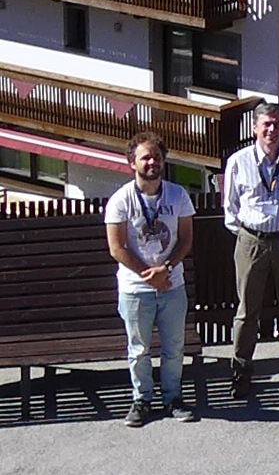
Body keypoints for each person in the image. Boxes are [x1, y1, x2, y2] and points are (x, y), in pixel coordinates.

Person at [107, 132, 196, 427]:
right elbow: (117, 247)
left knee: (174, 347)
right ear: (132, 162)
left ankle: (173, 398)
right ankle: (142, 400)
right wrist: (149, 275)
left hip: (172, 285)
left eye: (156, 156)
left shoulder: (178, 195)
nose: (152, 162)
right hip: (135, 289)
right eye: (145, 157)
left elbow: (185, 239)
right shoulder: (121, 199)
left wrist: (166, 270)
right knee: (139, 349)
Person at [223, 104, 279, 401]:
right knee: (247, 311)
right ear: (255, 128)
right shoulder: (238, 161)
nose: (272, 130)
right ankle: (242, 370)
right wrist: (248, 234)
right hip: (251, 240)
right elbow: (231, 207)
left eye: (277, 124)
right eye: (266, 125)